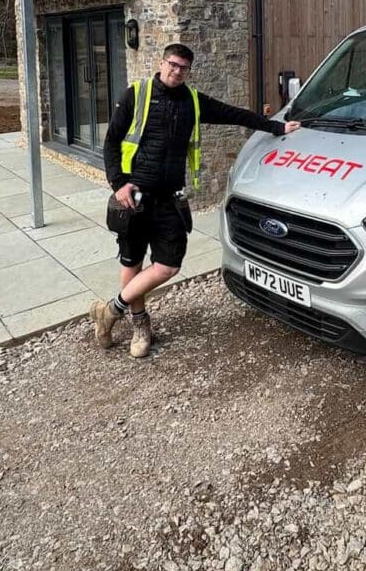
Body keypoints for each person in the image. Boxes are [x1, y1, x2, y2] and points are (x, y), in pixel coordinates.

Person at [90, 43, 301, 357]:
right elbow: (111, 142)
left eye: (183, 67)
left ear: (189, 70)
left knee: (168, 265)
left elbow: (234, 114)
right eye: (173, 64)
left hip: (169, 199)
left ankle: (109, 311)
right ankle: (139, 324)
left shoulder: (193, 101)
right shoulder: (136, 95)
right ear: (162, 63)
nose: (177, 71)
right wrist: (118, 184)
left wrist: (277, 126)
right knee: (132, 261)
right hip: (134, 197)